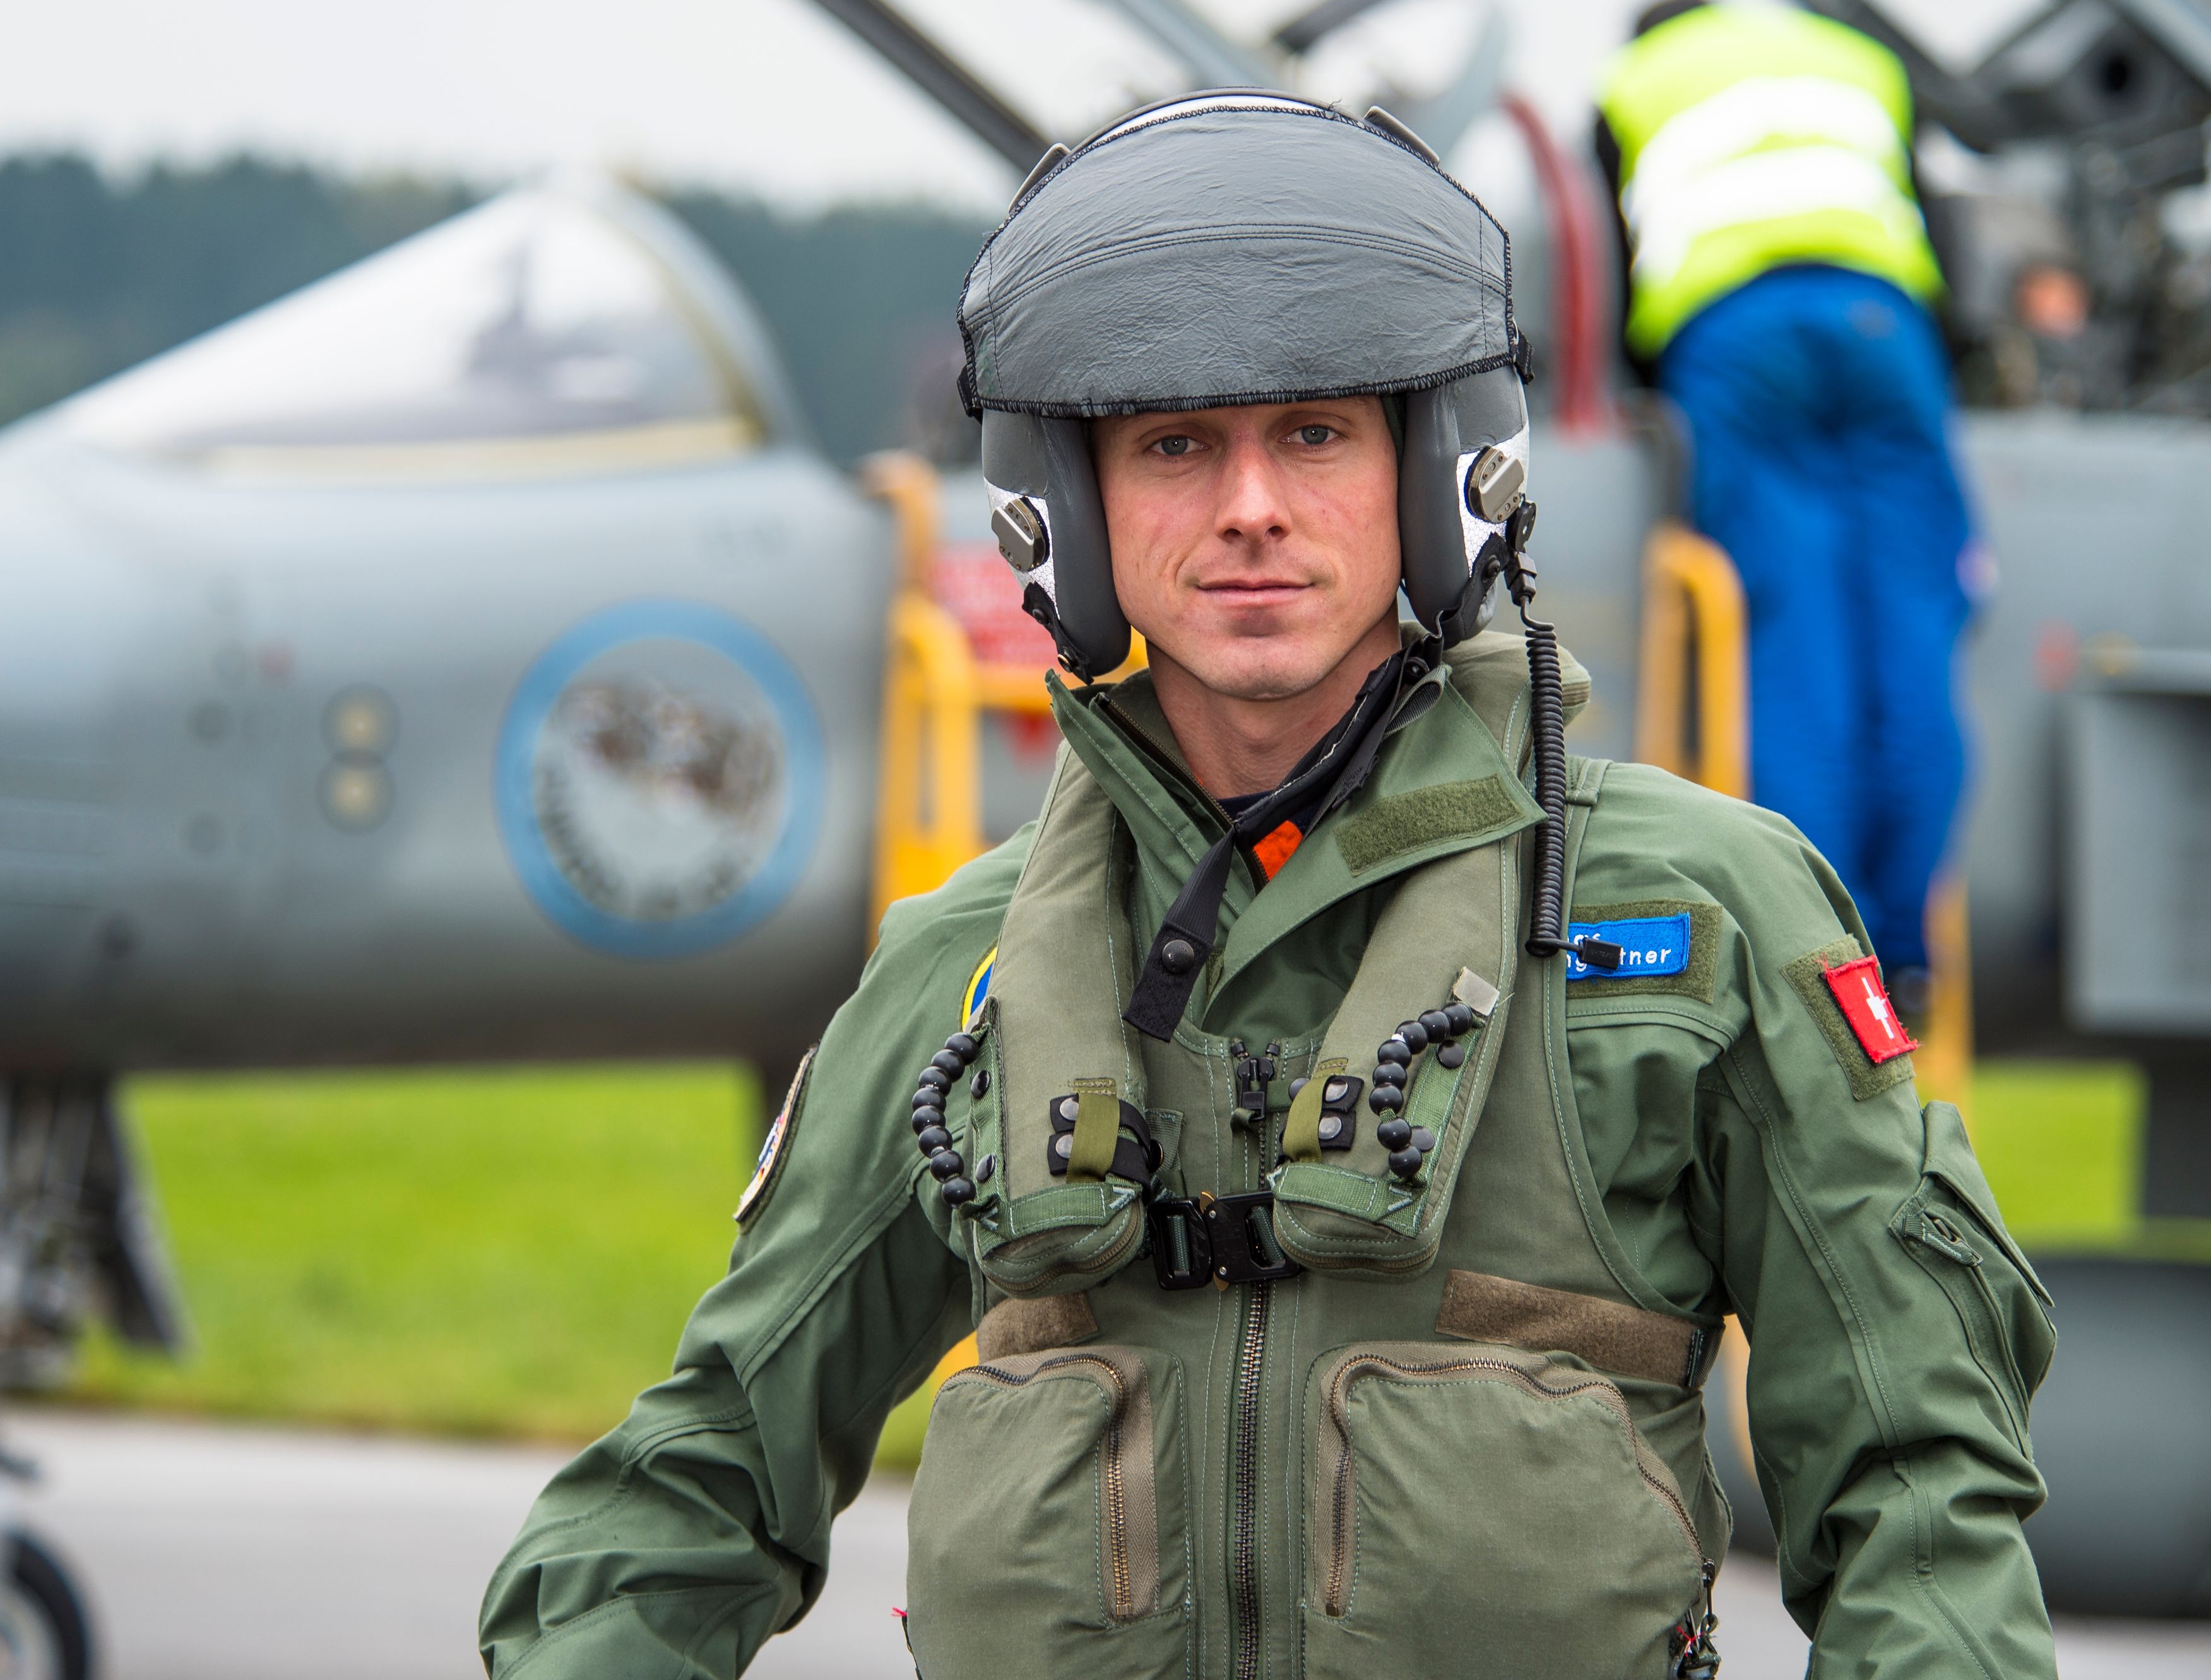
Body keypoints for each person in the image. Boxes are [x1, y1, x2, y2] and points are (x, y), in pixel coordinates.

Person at [479, 96, 2054, 1680]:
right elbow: (703, 1473)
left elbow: (1913, 1488)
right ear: (1068, 501)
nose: (1248, 507)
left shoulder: (1693, 922)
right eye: (1173, 443)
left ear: (1431, 471)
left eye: (1313, 433)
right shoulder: (969, 970)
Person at [1597, 1, 1978, 1021]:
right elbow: (1941, 236)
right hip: (1881, 324)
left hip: (1736, 335)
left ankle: (1823, 962)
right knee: (1915, 626)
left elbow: (1611, 258)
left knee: (1786, 639)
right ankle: (1906, 956)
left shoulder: (1640, 74)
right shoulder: (1859, 57)